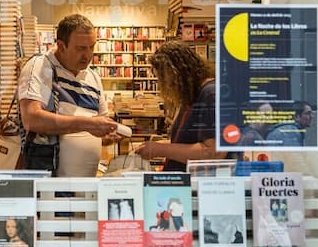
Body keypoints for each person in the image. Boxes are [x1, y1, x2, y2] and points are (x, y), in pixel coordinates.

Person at [18, 14, 122, 177]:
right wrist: (88, 124)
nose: (88, 55)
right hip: (50, 181)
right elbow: (32, 119)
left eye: (91, 47)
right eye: (80, 48)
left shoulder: (93, 77)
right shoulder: (42, 67)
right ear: (61, 46)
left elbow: (98, 129)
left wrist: (109, 133)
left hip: (86, 183)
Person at [134, 40, 226, 170]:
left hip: (198, 181)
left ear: (176, 73)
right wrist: (158, 146)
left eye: (163, 78)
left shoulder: (211, 94)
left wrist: (160, 149)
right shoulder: (192, 94)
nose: (164, 85)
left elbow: (212, 153)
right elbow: (188, 142)